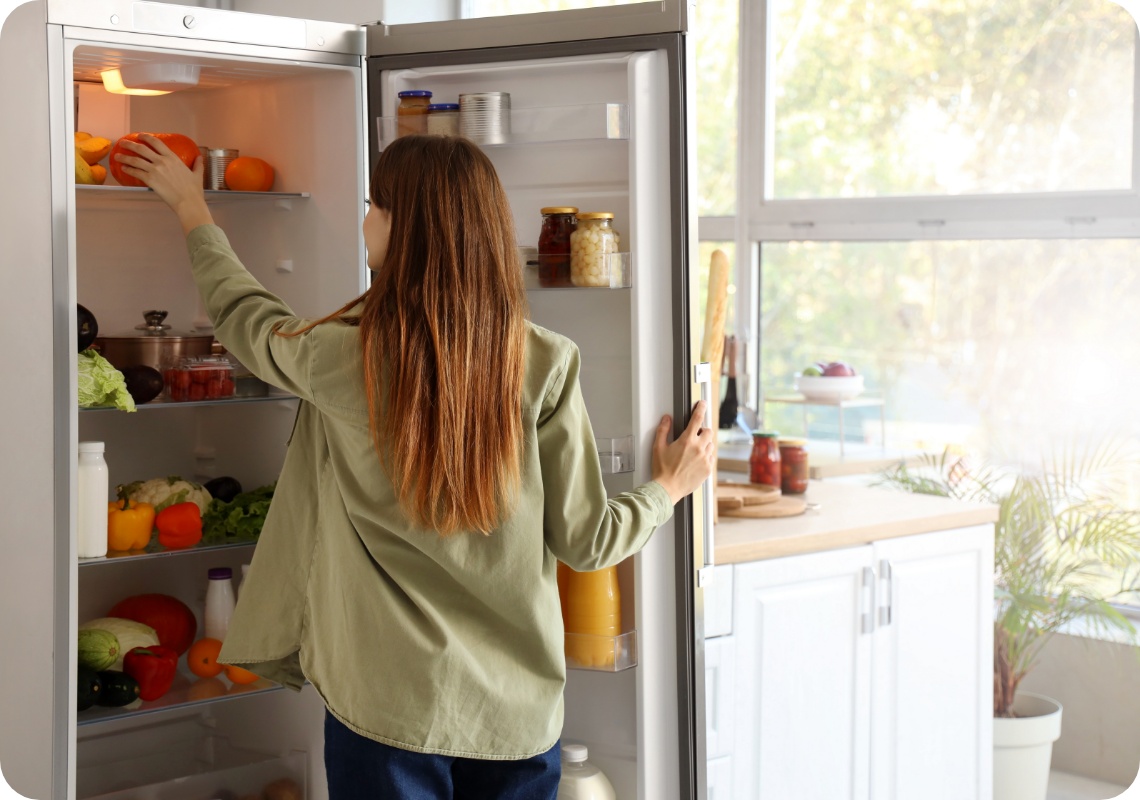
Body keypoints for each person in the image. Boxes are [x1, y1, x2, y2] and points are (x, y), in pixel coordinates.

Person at [114, 133, 715, 799]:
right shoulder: (544, 361)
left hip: (386, 711)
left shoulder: (339, 356)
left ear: (404, 228)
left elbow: (245, 315)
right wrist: (669, 486)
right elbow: (588, 540)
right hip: (515, 719)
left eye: (373, 206)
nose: (365, 221)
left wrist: (193, 208)